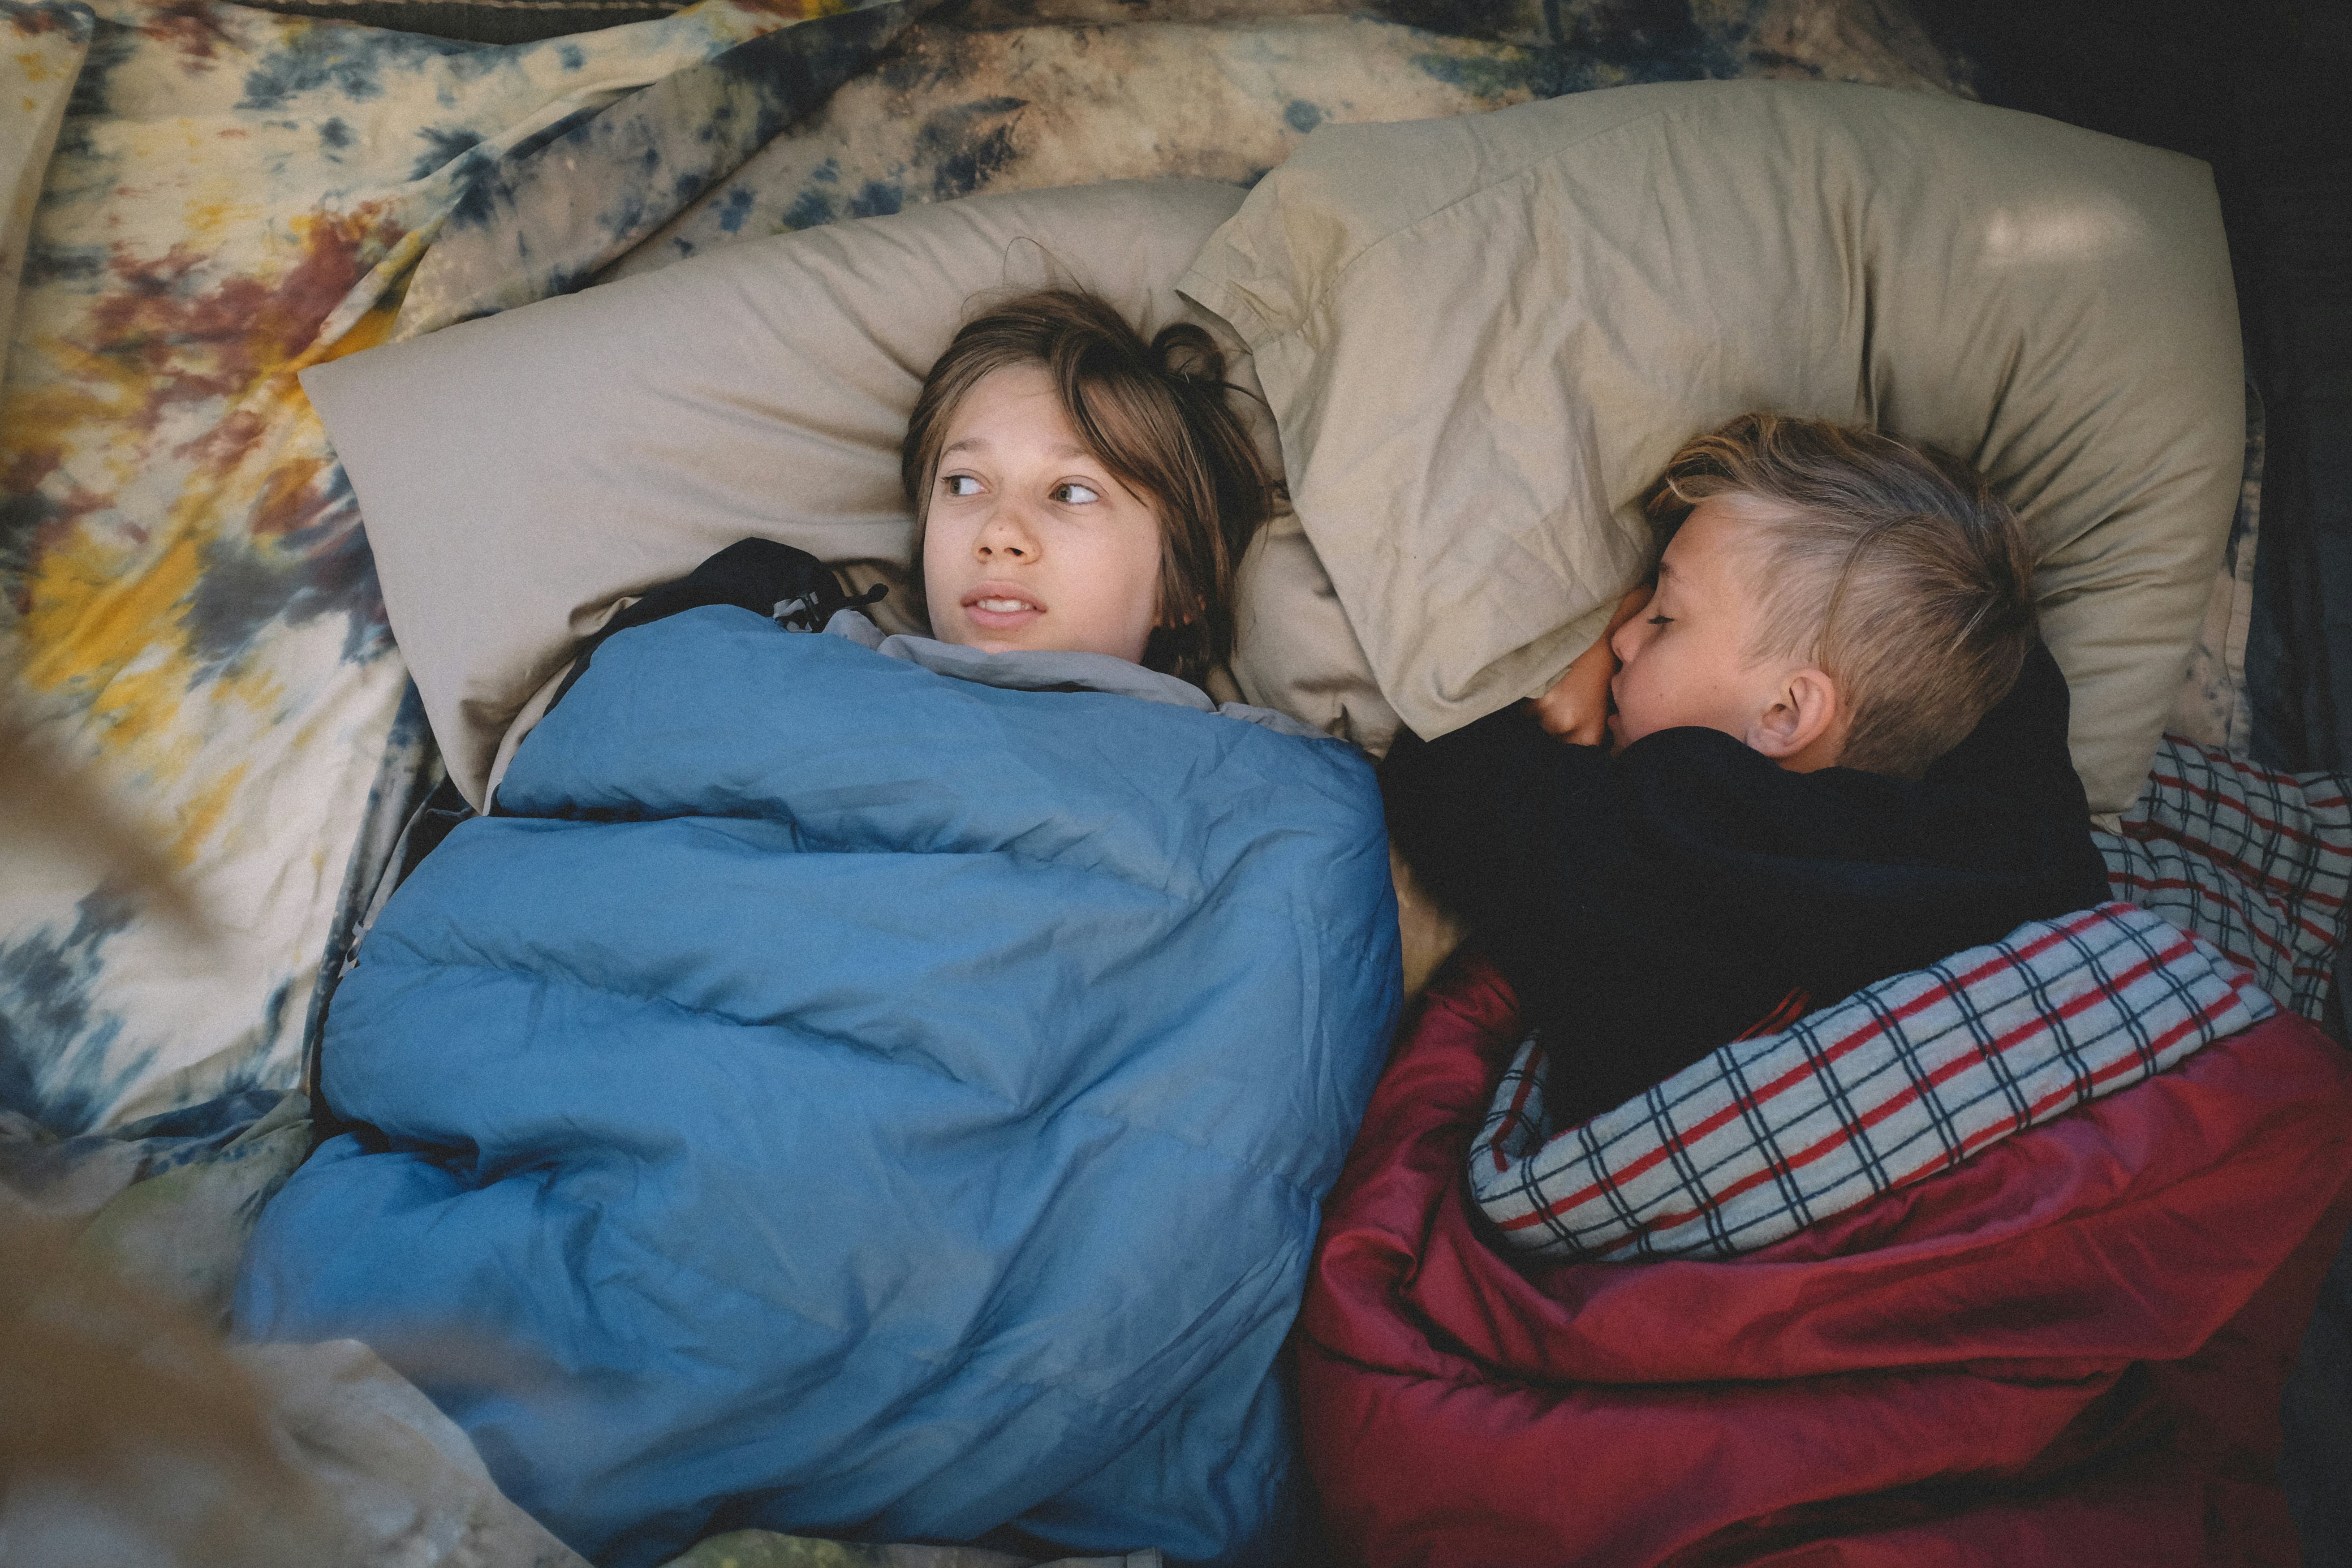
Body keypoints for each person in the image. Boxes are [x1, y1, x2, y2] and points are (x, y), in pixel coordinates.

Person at [1383, 413, 2115, 1125]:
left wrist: (1568, 687)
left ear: (1785, 715)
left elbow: (1441, 770)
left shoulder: (1661, 829)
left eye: (1663, 617)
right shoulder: (2017, 837)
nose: (1627, 635)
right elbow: (2013, 670)